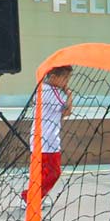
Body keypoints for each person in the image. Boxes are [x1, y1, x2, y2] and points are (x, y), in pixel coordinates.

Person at [21, 65, 72, 204]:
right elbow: (67, 111)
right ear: (54, 78)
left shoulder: (41, 88)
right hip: (48, 142)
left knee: (40, 174)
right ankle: (30, 197)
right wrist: (69, 95)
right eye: (65, 78)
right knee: (54, 173)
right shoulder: (52, 91)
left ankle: (34, 197)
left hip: (38, 139)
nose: (67, 81)